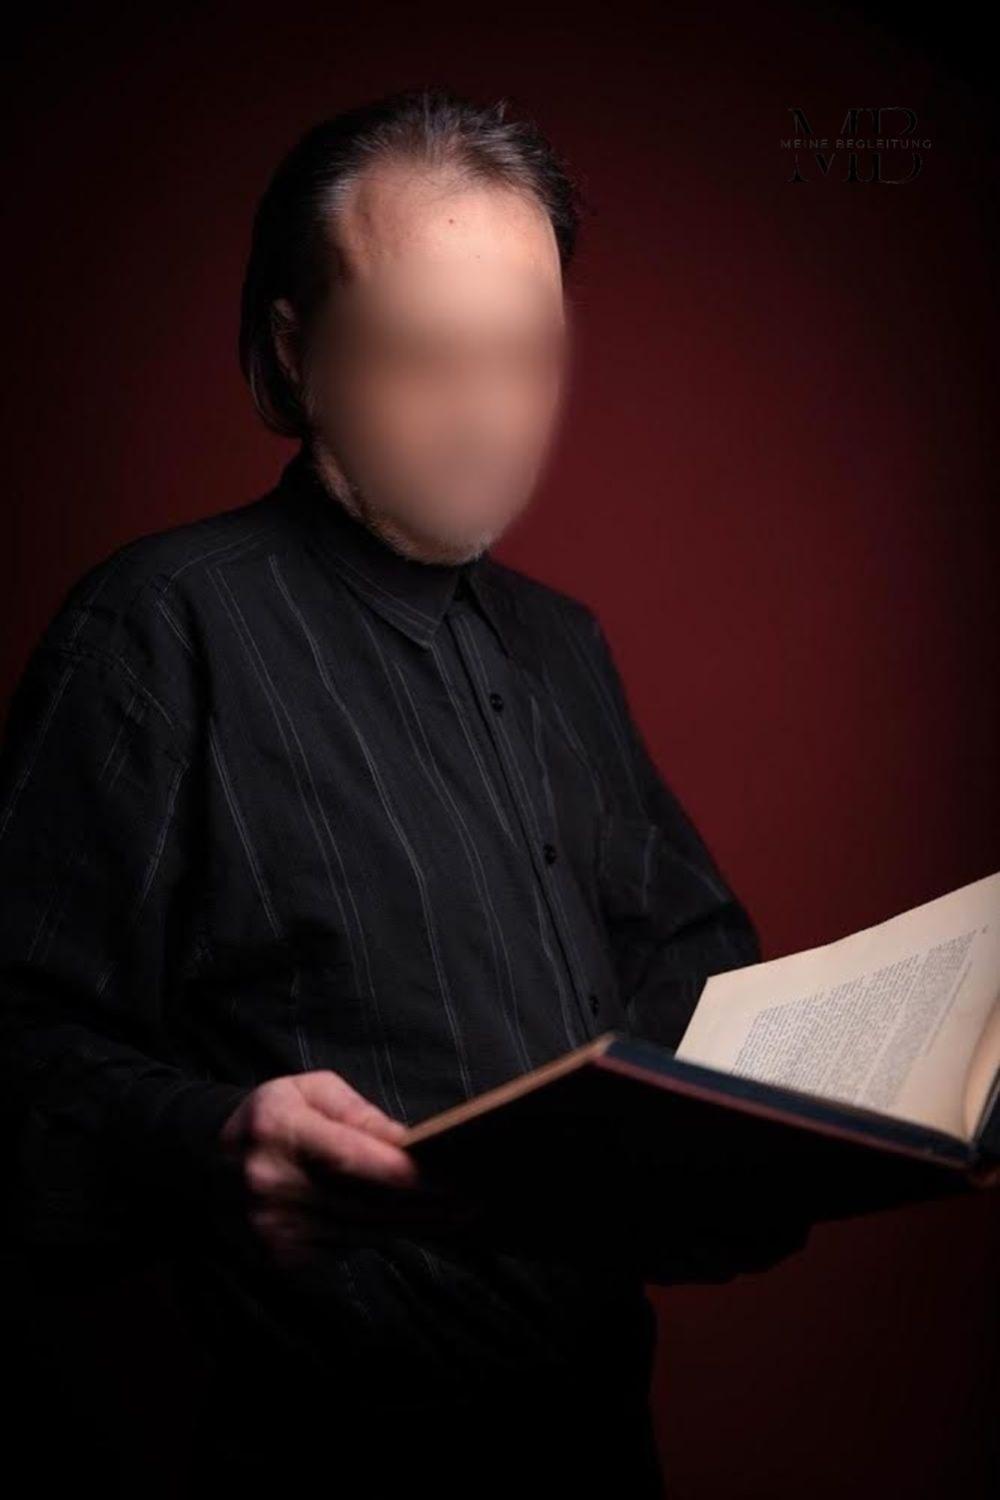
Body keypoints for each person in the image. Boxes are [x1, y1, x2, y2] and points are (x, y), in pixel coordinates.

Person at [0, 85, 814, 1495]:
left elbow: (690, 976)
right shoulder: (158, 628)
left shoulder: (565, 645)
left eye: (527, 357)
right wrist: (206, 1141)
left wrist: (839, 1112)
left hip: (598, 1441)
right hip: (311, 1452)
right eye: (425, 357)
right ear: (295, 354)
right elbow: (16, 1049)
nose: (489, 418)